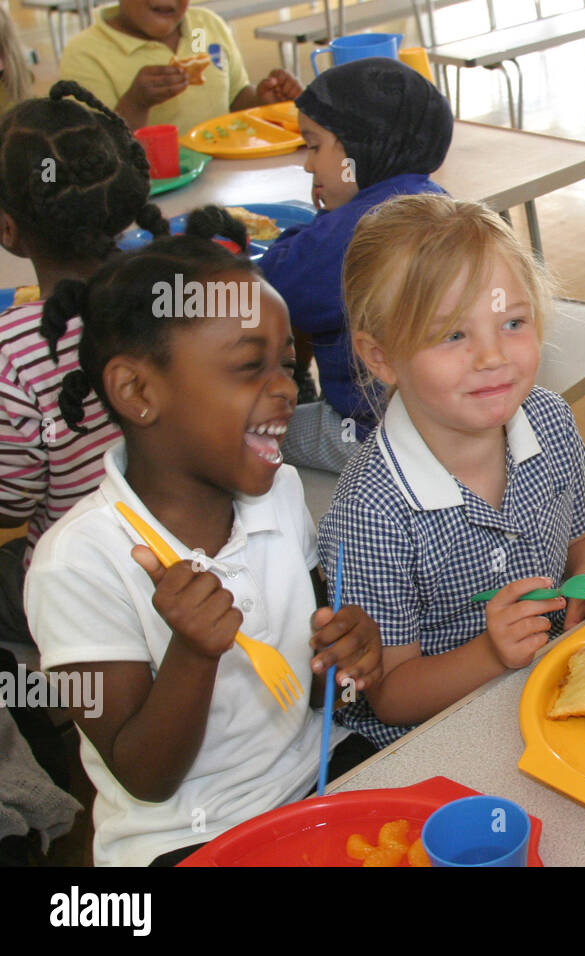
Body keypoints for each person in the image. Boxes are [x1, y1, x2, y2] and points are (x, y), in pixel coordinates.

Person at [23, 212, 383, 866]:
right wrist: (193, 652)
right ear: (137, 391)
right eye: (251, 368)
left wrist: (347, 651)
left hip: (315, 776)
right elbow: (145, 776)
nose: (285, 391)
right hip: (187, 837)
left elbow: (308, 668)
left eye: (287, 364)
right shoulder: (73, 563)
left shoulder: (277, 490)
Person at [317, 193, 585, 748]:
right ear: (381, 358)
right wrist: (491, 653)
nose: (493, 357)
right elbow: (391, 695)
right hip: (437, 739)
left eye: (513, 322)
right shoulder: (370, 512)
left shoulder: (548, 417)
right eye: (452, 335)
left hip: (546, 696)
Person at [0, 81, 172, 646]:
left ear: (8, 230)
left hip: (87, 586)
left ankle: (48, 719)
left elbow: (11, 505)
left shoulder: (15, 354)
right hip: (196, 555)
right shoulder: (182, 292)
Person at [259, 58, 455, 472]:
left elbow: (275, 289)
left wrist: (323, 222)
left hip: (372, 436)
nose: (308, 165)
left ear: (361, 147)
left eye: (314, 146)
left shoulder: (356, 231)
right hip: (448, 421)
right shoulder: (433, 199)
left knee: (249, 428)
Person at [57, 0, 301, 131]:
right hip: (146, 192)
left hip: (223, 179)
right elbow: (93, 149)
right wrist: (135, 104)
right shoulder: (86, 53)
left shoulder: (206, 26)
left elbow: (235, 96)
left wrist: (263, 101)